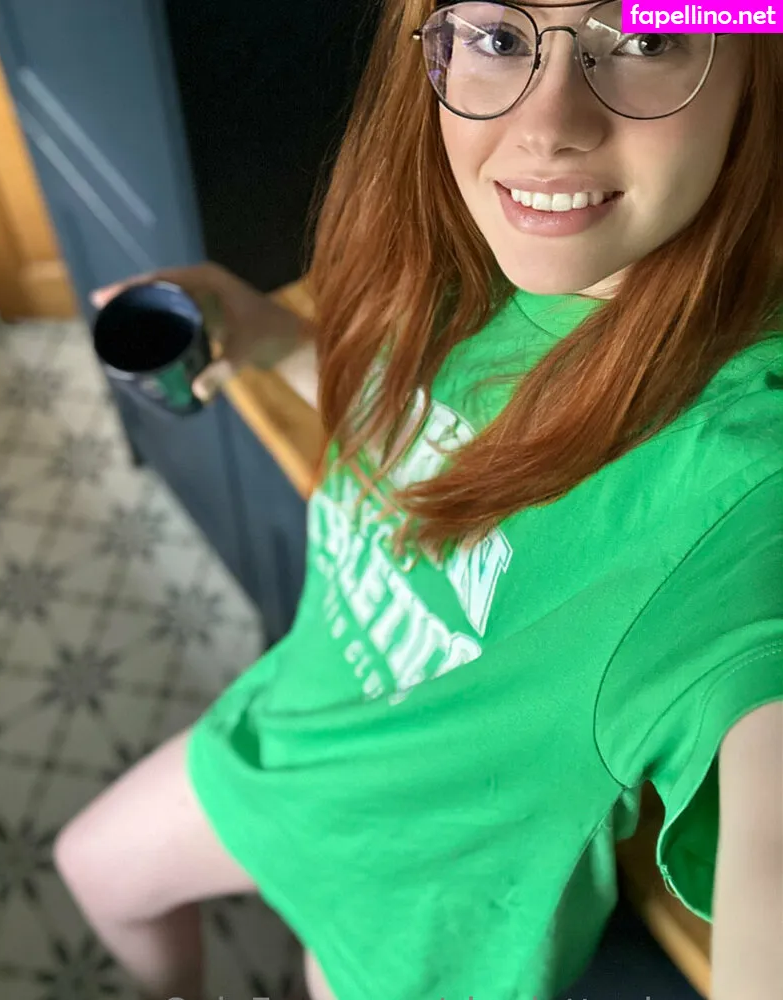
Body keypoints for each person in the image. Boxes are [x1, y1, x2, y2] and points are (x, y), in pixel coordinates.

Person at [57, 2, 783, 999]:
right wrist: (270, 334)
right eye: (498, 37)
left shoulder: (741, 472)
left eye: (649, 37)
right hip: (296, 730)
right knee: (94, 867)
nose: (546, 126)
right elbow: (411, 432)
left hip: (419, 915)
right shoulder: (465, 259)